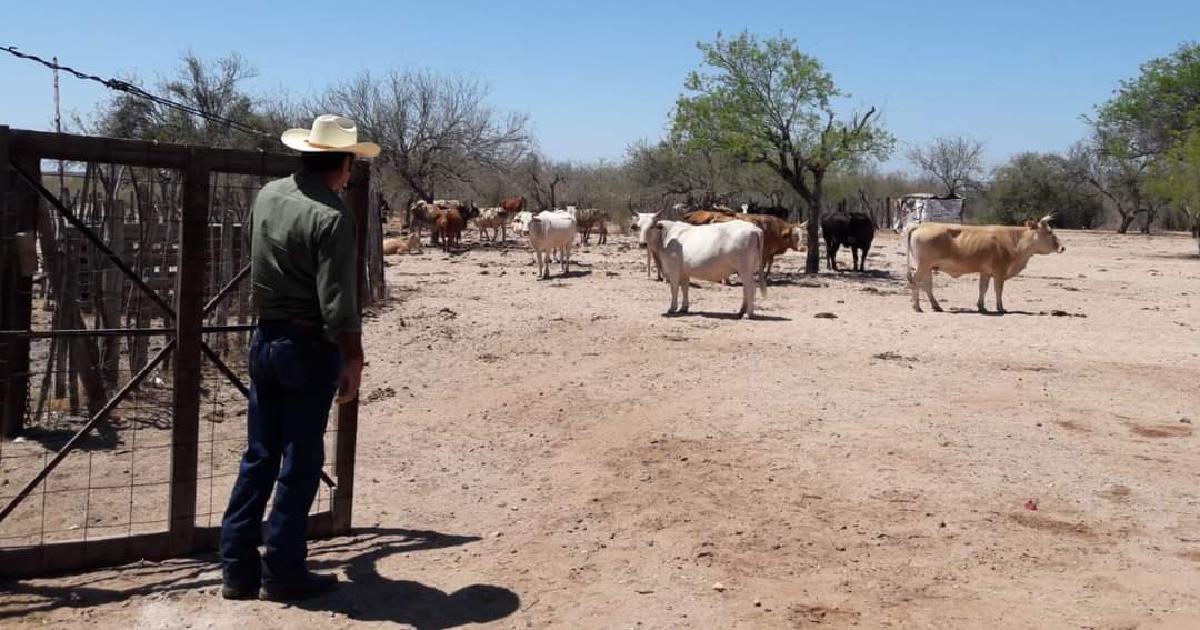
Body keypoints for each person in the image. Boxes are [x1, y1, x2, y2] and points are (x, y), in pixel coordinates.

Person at [219, 115, 379, 601]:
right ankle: (284, 570)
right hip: (308, 347)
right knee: (302, 458)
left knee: (260, 453)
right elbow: (337, 300)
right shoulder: (332, 215)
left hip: (264, 337)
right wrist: (353, 357)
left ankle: (236, 568)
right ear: (344, 163)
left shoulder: (268, 195)